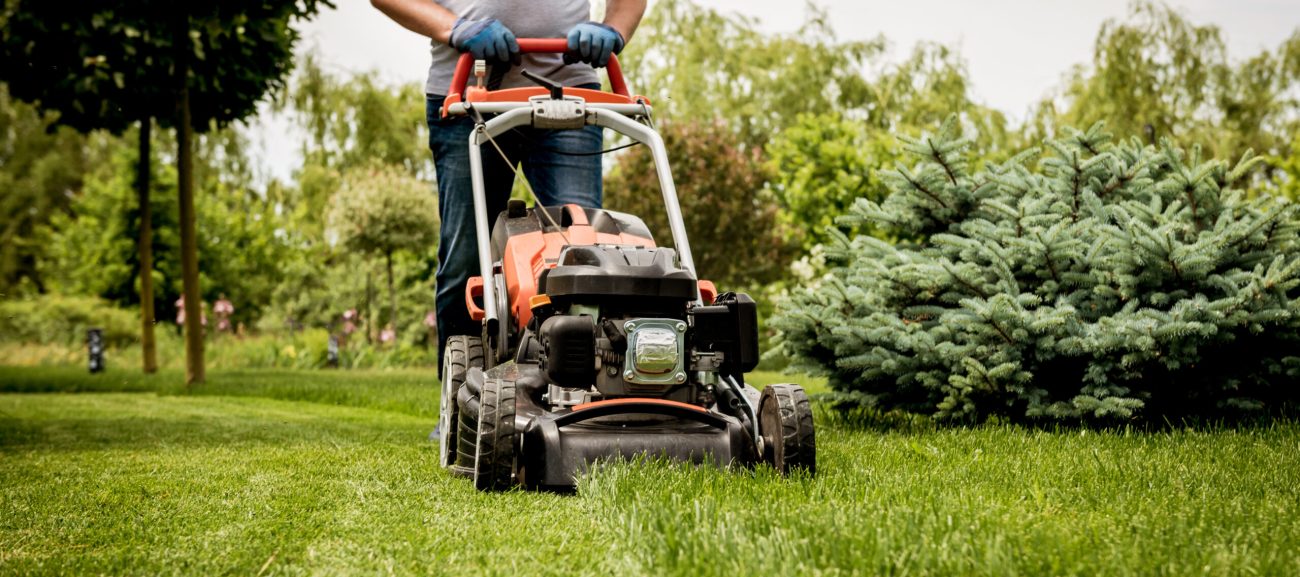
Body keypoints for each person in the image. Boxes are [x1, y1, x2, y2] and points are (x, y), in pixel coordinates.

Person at [370, 0, 647, 372]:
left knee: (583, 255)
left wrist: (614, 30)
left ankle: (578, 394)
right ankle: (461, 402)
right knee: (467, 260)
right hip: (468, 94)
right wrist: (455, 29)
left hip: (569, 94)